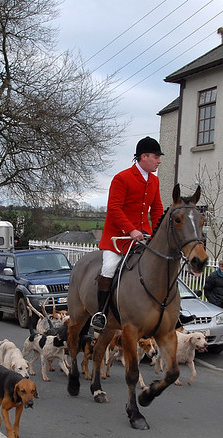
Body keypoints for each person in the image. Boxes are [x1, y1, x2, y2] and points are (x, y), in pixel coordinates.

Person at [91, 136, 165, 330]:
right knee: (108, 268)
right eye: (156, 157)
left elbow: (157, 210)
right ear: (144, 156)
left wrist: (158, 233)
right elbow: (114, 208)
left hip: (144, 238)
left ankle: (169, 311)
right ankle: (101, 312)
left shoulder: (155, 181)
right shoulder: (122, 178)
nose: (159, 161)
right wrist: (131, 230)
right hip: (118, 239)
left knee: (161, 265)